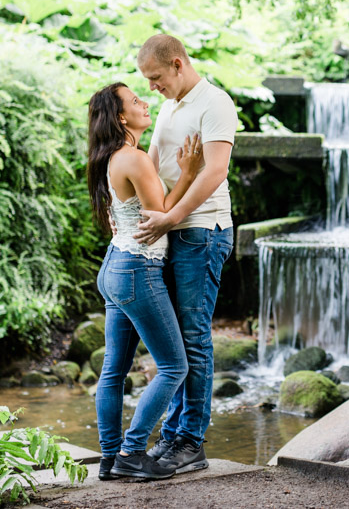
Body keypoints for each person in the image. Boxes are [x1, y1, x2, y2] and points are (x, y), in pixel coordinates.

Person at [86, 82, 204, 481]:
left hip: (115, 267)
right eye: (135, 101)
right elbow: (162, 214)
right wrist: (189, 174)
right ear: (121, 117)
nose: (145, 102)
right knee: (174, 366)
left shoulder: (111, 156)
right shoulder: (132, 158)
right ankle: (132, 452)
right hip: (137, 270)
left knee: (113, 371)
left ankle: (109, 459)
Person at [132, 34, 237, 474]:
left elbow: (215, 170)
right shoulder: (171, 105)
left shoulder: (215, 103)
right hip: (172, 229)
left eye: (156, 78)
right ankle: (174, 434)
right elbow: (153, 162)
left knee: (193, 339)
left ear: (177, 64)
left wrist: (171, 217)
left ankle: (190, 441)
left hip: (202, 233)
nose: (152, 87)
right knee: (174, 344)